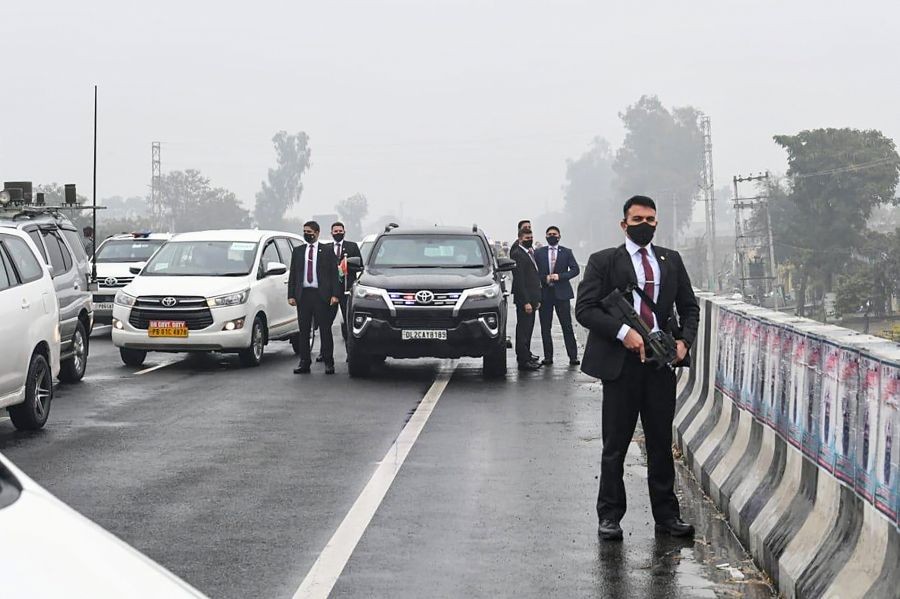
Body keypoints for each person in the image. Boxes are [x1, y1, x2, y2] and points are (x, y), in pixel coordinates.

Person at [575, 195, 700, 541]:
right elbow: (584, 309)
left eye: (650, 220)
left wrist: (683, 343)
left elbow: (690, 307)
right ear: (623, 223)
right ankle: (610, 517)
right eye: (638, 219)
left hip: (660, 365)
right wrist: (623, 332)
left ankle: (667, 517)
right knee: (615, 445)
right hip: (621, 366)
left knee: (660, 443)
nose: (645, 225)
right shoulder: (603, 262)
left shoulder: (670, 261)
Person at [288, 221, 341, 375]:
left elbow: (334, 274)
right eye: (304, 231)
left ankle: (329, 362)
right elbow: (293, 274)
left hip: (321, 296)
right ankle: (304, 362)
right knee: (304, 331)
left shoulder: (327, 251)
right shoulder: (298, 251)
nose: (307, 234)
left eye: (309, 231)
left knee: (325, 330)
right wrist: (291, 294)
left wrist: (335, 295)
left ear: (317, 233)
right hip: (303, 295)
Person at [535, 226, 581, 366]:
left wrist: (560, 276)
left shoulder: (566, 252)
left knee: (567, 326)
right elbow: (534, 272)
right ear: (546, 236)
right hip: (545, 294)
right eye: (549, 234)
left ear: (559, 236)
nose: (552, 236)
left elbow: (575, 270)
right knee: (545, 327)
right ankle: (548, 357)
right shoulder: (538, 253)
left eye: (554, 234)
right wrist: (545, 278)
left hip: (562, 294)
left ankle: (573, 356)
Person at [510, 227, 542, 371]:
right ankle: (523, 360)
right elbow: (520, 281)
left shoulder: (530, 253)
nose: (530, 240)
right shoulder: (518, 254)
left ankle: (527, 355)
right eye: (526, 238)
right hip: (525, 300)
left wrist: (537, 299)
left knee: (528, 329)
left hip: (533, 298)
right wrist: (526, 302)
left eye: (531, 237)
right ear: (520, 239)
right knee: (523, 329)